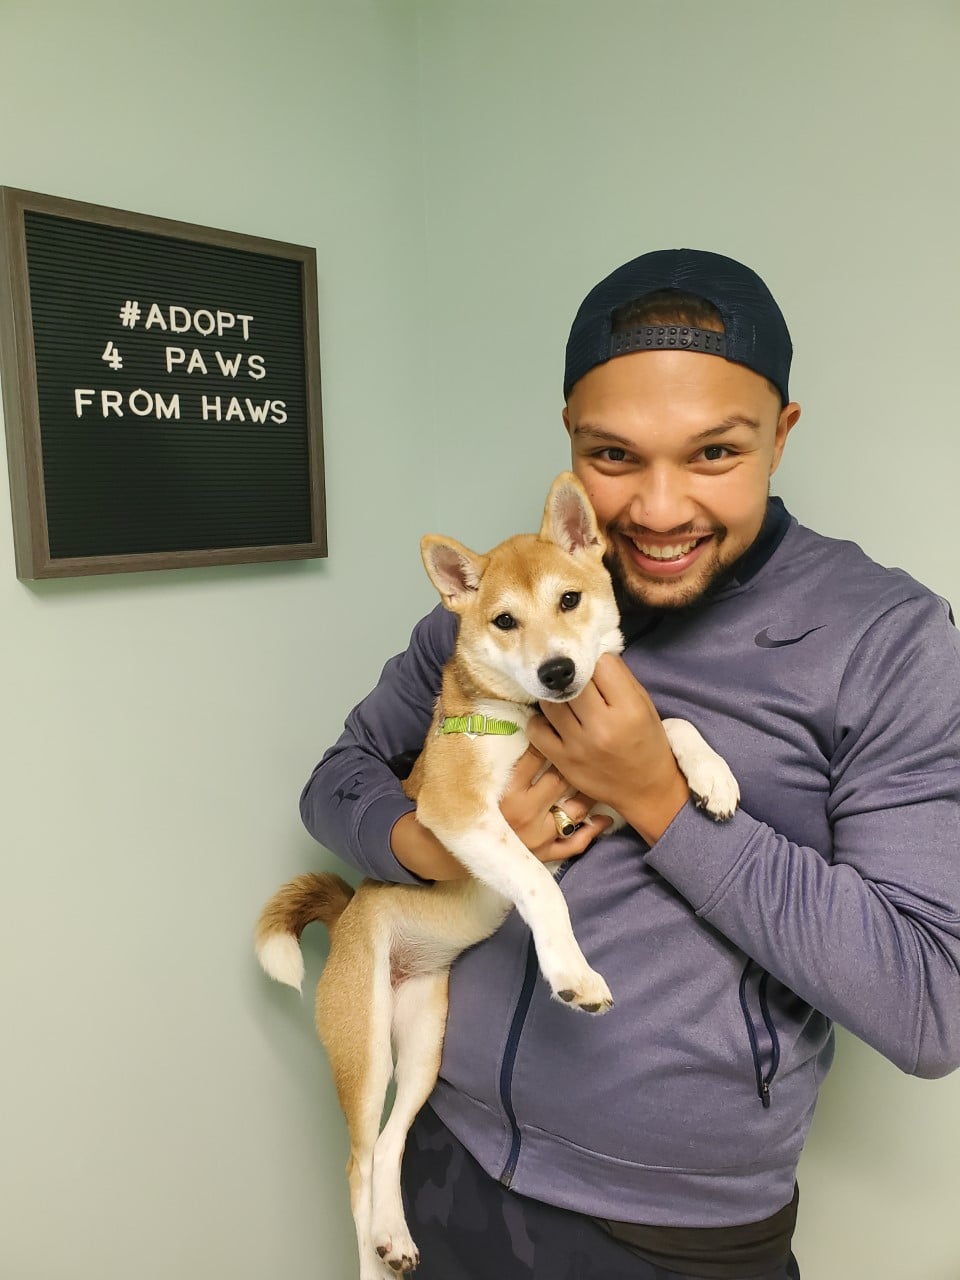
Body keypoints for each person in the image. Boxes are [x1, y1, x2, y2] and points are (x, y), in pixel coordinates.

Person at [300, 249, 960, 1279]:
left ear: (781, 434)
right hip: (446, 1164)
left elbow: (928, 1000)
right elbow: (338, 775)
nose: (656, 510)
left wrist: (657, 796)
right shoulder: (506, 615)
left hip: (676, 1234)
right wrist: (426, 846)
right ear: (570, 439)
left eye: (713, 454)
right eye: (614, 456)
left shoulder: (884, 638)